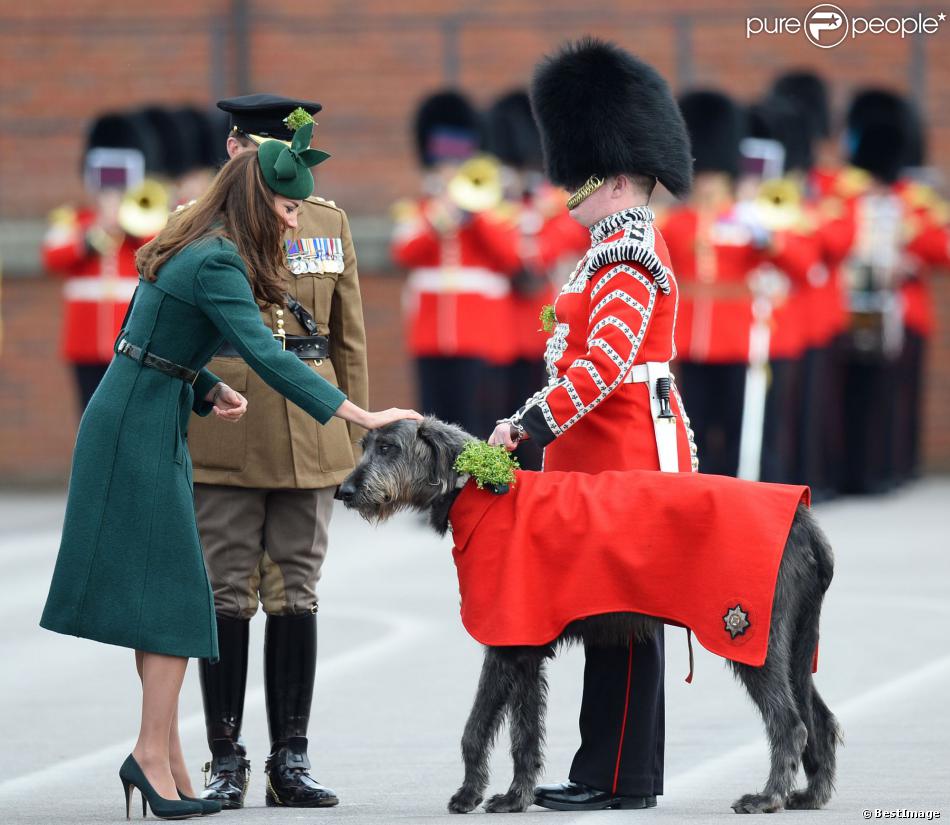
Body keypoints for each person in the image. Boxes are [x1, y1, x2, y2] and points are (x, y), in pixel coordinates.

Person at [40, 122, 421, 821]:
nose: (295, 217)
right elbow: (268, 355)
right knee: (181, 600)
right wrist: (357, 415)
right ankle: (152, 755)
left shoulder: (200, 239)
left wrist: (203, 387)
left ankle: (171, 759)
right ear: (257, 198)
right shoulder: (217, 258)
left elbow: (145, 334)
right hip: (138, 425)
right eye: (285, 207)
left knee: (168, 598)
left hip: (149, 409)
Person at [488, 38, 696, 811]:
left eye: (580, 177)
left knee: (626, 617)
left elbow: (604, 362)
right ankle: (604, 768)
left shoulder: (629, 250)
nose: (567, 188)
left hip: (626, 453)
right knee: (605, 615)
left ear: (611, 177)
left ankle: (619, 776)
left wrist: (530, 423)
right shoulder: (608, 246)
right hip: (603, 454)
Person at [187, 93, 369, 810]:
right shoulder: (196, 224)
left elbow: (347, 335)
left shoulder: (326, 219)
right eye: (256, 152)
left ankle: (290, 756)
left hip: (309, 427)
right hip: (229, 427)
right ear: (235, 150)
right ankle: (224, 756)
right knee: (227, 592)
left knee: (297, 591)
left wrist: (353, 438)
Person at [392, 90, 522, 437]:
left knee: (477, 425)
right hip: (430, 336)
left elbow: (511, 257)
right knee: (433, 430)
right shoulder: (422, 210)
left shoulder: (492, 212)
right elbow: (403, 252)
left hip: (479, 336)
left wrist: (475, 212)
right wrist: (441, 216)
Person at [41, 112, 162, 411]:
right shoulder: (75, 220)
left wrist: (130, 228)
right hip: (84, 342)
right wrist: (92, 236)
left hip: (130, 337)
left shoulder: (143, 227)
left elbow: (160, 254)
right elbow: (52, 256)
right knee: (88, 414)